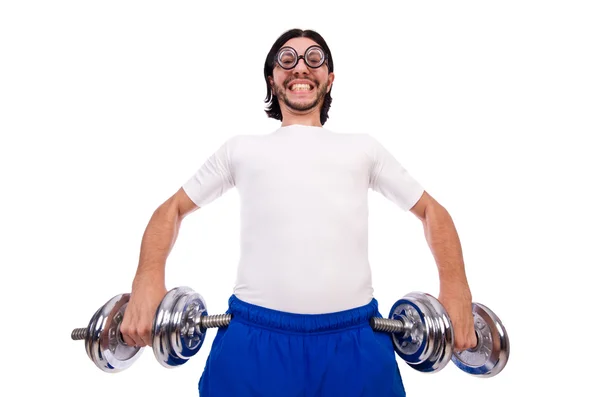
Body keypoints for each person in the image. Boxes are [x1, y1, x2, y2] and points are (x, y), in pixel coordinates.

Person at [120, 28, 477, 396]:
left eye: (314, 59)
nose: (301, 68)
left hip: (355, 344)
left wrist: (456, 290)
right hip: (253, 344)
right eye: (287, 60)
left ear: (330, 78)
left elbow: (433, 211)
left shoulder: (363, 149)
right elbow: (172, 209)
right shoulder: (240, 150)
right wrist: (146, 281)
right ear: (273, 80)